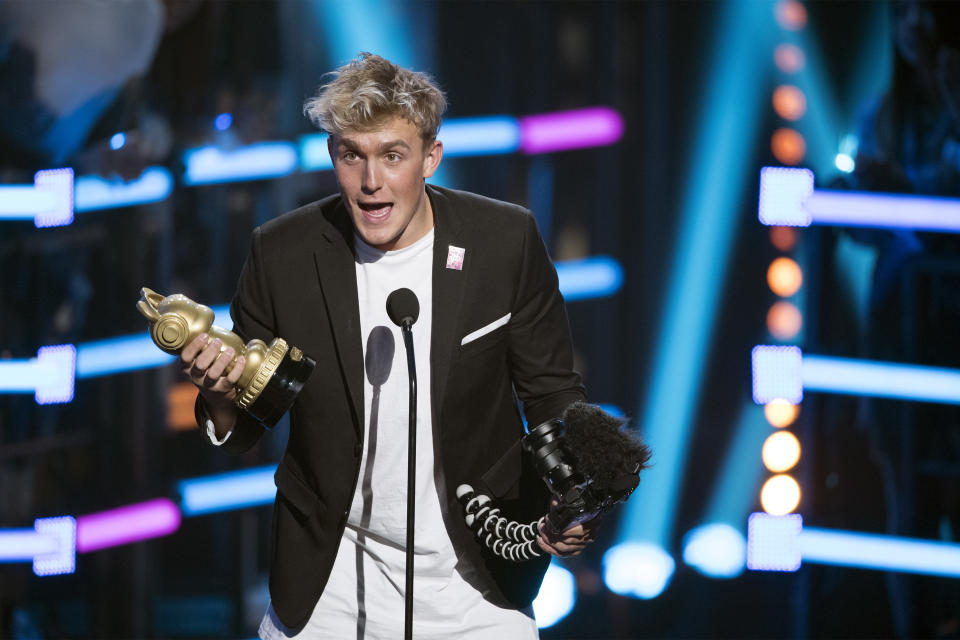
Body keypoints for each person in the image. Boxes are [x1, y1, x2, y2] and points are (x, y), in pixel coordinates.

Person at [180, 53, 598, 638]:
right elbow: (246, 426)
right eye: (352, 155)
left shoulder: (503, 242)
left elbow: (552, 394)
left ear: (431, 158)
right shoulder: (284, 254)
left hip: (475, 588)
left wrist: (570, 496)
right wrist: (221, 395)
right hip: (326, 591)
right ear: (333, 157)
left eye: (392, 156)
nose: (370, 182)